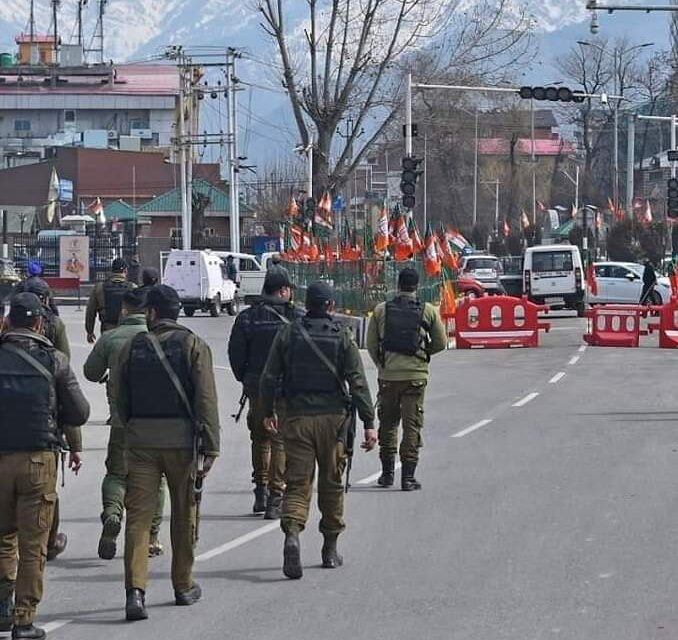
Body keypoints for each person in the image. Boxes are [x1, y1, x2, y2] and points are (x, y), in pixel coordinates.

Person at [110, 285, 220, 621]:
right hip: (182, 444)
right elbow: (206, 399)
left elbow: (119, 396)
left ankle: (135, 592)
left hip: (141, 443)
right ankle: (183, 585)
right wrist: (211, 445)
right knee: (185, 514)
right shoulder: (193, 345)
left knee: (139, 519)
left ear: (152, 313)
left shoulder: (131, 347)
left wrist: (131, 430)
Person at [260, 281, 377, 580]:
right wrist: (369, 423)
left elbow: (269, 377)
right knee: (332, 483)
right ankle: (329, 548)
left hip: (297, 419)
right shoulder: (342, 336)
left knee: (297, 485)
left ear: (306, 304)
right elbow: (358, 382)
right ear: (330, 307)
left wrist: (267, 412)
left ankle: (293, 534)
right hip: (334, 423)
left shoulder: (288, 333)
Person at [0, 293, 89, 639]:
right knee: (32, 544)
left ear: (9, 321)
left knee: (3, 537)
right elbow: (79, 412)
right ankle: (24, 620)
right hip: (39, 461)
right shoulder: (55, 361)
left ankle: (3, 605)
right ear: (39, 323)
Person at [83, 290, 166, 561]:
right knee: (157, 480)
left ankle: (112, 514)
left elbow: (90, 372)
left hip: (121, 420)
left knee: (117, 474)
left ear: (124, 311)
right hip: (156, 424)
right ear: (150, 312)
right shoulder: (161, 339)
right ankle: (152, 537)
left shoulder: (111, 338)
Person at [228, 269, 303, 519]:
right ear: (282, 291)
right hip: (284, 389)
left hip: (256, 388)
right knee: (279, 440)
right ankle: (275, 497)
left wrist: (247, 381)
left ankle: (260, 492)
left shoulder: (247, 318)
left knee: (260, 438)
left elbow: (236, 355)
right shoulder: (295, 317)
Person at [366, 267, 447, 491]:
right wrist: (423, 355)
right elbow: (441, 342)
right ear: (417, 286)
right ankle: (408, 477)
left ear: (398, 285)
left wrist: (383, 364)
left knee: (389, 425)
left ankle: (387, 474)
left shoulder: (381, 310)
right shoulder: (428, 310)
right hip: (415, 377)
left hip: (388, 377)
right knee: (412, 427)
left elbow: (371, 344)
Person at [17, 279, 71, 562]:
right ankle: (49, 539)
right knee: (45, 490)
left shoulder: (7, 326)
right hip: (45, 419)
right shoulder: (56, 327)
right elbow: (67, 375)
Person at [85, 258, 136, 343]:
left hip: (107, 330)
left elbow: (90, 311)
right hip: (127, 331)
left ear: (112, 271)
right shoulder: (133, 288)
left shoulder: (99, 288)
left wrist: (90, 331)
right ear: (126, 271)